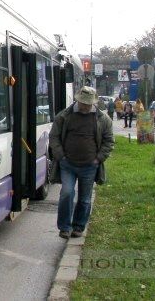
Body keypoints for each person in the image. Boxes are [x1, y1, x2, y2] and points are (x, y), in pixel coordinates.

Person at [49, 86, 114, 239]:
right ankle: (64, 227)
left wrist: (98, 159)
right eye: (83, 103)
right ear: (78, 101)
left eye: (88, 104)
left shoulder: (103, 119)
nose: (85, 106)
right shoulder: (64, 116)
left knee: (84, 199)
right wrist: (61, 156)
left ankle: (78, 226)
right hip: (68, 164)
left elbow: (109, 141)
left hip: (90, 166)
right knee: (66, 193)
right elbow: (54, 137)